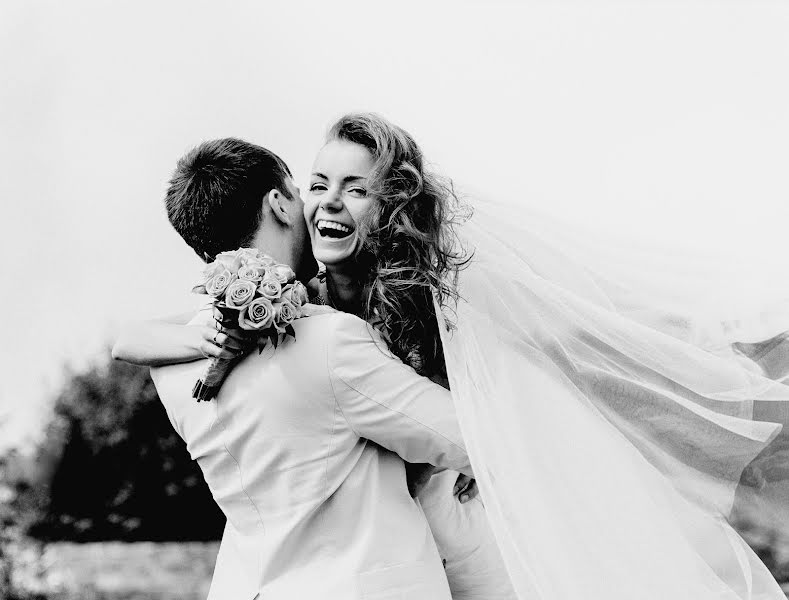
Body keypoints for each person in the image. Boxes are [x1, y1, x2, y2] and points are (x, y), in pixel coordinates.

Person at [117, 114, 789, 600]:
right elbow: (456, 433)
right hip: (388, 549)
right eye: (316, 183)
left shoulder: (439, 293)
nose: (326, 201)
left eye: (354, 186)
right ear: (283, 200)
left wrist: (499, 444)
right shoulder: (309, 321)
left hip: (439, 522)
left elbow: (534, 380)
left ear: (391, 202)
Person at [124, 138, 478, 600]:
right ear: (279, 203)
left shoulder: (171, 362)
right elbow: (468, 441)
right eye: (301, 190)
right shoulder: (331, 341)